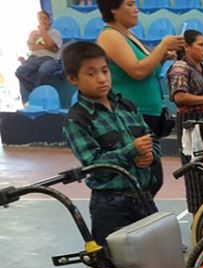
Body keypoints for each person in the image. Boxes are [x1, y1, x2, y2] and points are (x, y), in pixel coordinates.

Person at [61, 42, 160, 245]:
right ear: (73, 79)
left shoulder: (127, 106)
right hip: (111, 205)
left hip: (143, 197)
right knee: (115, 264)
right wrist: (131, 151)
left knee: (154, 256)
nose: (101, 79)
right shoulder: (77, 120)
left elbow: (151, 138)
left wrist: (150, 156)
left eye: (105, 71)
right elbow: (94, 165)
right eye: (91, 74)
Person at [96, 0, 184, 137]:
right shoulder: (110, 35)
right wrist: (163, 46)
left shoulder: (127, 35)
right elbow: (138, 71)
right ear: (113, 9)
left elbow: (148, 69)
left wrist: (160, 57)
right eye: (130, 5)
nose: (136, 10)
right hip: (131, 116)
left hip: (147, 115)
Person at [167, 30, 203, 214]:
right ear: (187, 47)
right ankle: (201, 221)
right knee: (195, 173)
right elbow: (179, 97)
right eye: (200, 45)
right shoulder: (180, 68)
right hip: (192, 127)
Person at [16, 11, 64, 103]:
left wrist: (43, 32)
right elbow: (31, 47)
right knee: (20, 72)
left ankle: (36, 95)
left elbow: (53, 48)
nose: (43, 21)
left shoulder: (55, 33)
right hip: (34, 58)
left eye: (45, 18)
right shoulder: (34, 33)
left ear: (49, 20)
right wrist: (45, 45)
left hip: (51, 58)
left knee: (44, 70)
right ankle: (37, 91)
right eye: (40, 18)